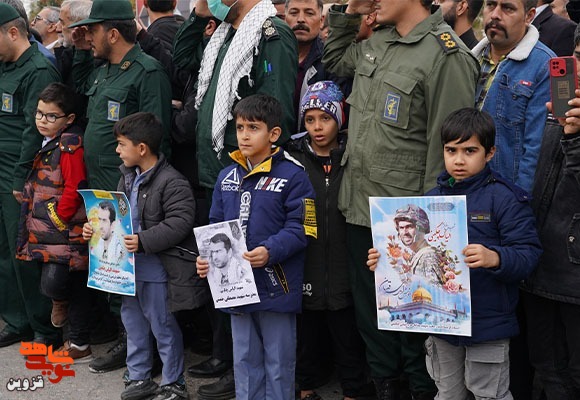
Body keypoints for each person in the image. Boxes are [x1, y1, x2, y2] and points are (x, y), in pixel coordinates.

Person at [322, 0, 480, 397]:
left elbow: (448, 151)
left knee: (414, 324)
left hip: (407, 220)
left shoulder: (445, 55)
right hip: (359, 208)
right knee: (372, 320)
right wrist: (350, 10)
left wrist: (431, 226)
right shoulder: (380, 40)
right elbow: (335, 60)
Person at [368, 107, 542, 400]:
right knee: (448, 392)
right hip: (442, 325)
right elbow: (410, 257)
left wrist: (496, 258)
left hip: (488, 324)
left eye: (470, 151)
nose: (459, 160)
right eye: (451, 150)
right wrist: (383, 261)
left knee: (489, 394)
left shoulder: (505, 198)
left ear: (490, 153)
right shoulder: (430, 201)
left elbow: (529, 253)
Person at [173, 0, 297, 396]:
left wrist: (257, 164)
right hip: (221, 173)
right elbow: (181, 60)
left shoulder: (269, 33)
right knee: (223, 271)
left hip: (251, 175)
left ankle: (245, 371)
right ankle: (230, 361)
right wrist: (198, 15)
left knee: (251, 273)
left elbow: (275, 111)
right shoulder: (225, 33)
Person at [69, 0, 173, 374]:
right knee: (110, 264)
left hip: (132, 189)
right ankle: (125, 339)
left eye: (93, 30)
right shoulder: (103, 70)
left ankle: (141, 348)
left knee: (133, 271)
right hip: (102, 189)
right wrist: (80, 50)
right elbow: (77, 90)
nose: (88, 35)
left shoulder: (147, 71)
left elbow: (158, 134)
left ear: (113, 33)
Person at [197, 94, 317, 400]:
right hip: (237, 288)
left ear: (274, 134)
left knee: (278, 364)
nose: (244, 135)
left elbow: (303, 228)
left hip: (277, 286)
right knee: (244, 361)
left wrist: (270, 250)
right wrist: (206, 257)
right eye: (240, 127)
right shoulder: (226, 176)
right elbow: (215, 226)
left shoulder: (294, 175)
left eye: (253, 128)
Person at [82, 112, 199, 400]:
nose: (117, 150)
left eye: (122, 144)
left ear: (142, 148)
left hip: (157, 270)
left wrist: (144, 240)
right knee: (132, 324)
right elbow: (117, 218)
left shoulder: (172, 181)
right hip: (128, 271)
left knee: (162, 325)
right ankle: (139, 377)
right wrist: (94, 229)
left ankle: (174, 382)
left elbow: (180, 222)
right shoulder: (127, 177)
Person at [287, 81, 372, 400]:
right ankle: (306, 388)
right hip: (306, 264)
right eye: (310, 119)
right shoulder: (292, 159)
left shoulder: (353, 156)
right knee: (306, 335)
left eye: (325, 118)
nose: (317, 127)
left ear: (340, 118)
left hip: (343, 265)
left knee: (347, 336)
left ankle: (352, 391)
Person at [521, 28, 580, 399]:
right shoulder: (560, 108)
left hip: (573, 279)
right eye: (579, 55)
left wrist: (576, 139)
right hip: (540, 264)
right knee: (545, 368)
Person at [0, 2, 62, 349]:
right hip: (1, 167)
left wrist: (20, 177)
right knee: (4, 252)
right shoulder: (5, 66)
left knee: (26, 251)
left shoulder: (38, 69)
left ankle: (44, 328)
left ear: (13, 32)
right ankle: (17, 320)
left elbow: (34, 130)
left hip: (21, 172)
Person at [15, 82, 92, 361]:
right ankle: (74, 339)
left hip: (66, 230)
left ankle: (79, 341)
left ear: (68, 119)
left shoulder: (70, 145)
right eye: (39, 113)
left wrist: (59, 218)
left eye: (51, 116)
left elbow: (75, 186)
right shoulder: (48, 140)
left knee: (60, 283)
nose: (42, 120)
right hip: (47, 230)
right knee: (56, 282)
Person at [473, 0, 554, 194]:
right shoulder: (468, 58)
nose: (495, 15)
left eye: (507, 8)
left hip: (505, 194)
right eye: (491, 5)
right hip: (462, 188)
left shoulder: (544, 66)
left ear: (529, 16)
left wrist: (518, 201)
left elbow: (534, 149)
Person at [393, 205, 441, 283]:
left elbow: (434, 289)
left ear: (421, 228)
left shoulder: (428, 257)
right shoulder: (417, 255)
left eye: (409, 227)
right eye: (401, 228)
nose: (405, 232)